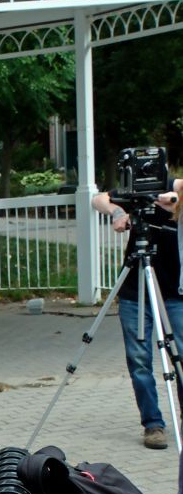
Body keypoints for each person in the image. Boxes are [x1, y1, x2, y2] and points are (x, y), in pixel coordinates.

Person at [93, 180, 183, 449]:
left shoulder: (174, 191)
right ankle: (153, 424)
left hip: (175, 291)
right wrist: (118, 212)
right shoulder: (140, 192)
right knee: (139, 359)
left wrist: (172, 200)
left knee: (181, 356)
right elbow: (99, 198)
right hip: (135, 291)